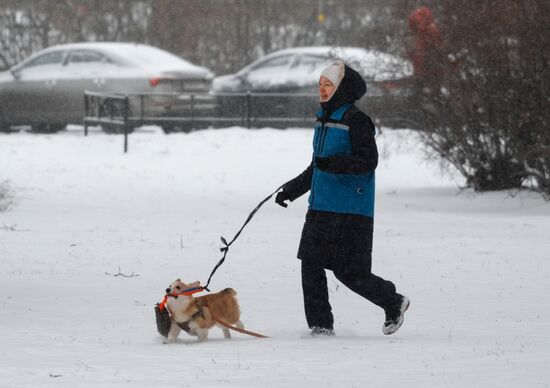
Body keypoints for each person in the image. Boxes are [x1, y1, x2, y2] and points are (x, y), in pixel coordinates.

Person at [275, 60, 410, 336]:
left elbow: (368, 161)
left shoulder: (356, 120)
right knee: (310, 264)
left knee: (350, 273)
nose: (323, 90)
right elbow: (317, 165)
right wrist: (291, 189)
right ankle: (321, 326)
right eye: (320, 85)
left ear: (342, 89)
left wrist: (334, 164)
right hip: (321, 207)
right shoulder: (323, 120)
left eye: (328, 85)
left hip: (351, 210)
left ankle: (393, 301)